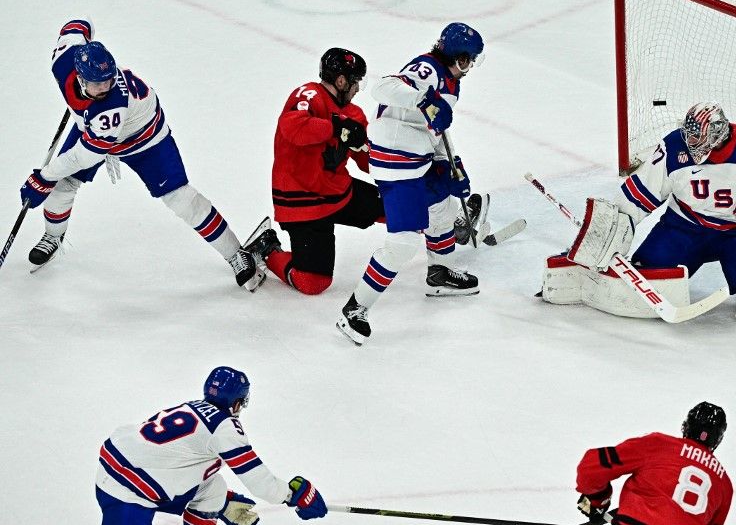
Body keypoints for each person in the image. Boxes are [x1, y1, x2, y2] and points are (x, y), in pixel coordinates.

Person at [19, 19, 263, 290]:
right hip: (93, 131)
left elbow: (84, 156)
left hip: (146, 139)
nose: (106, 87)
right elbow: (78, 26)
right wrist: (87, 41)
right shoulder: (64, 57)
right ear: (79, 77)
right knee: (62, 184)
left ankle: (235, 253)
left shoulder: (111, 105)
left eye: (109, 79)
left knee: (180, 198)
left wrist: (44, 177)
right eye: (98, 83)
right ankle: (53, 237)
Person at [67, 366, 328, 525]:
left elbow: (175, 461)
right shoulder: (225, 428)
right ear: (238, 402)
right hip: (130, 490)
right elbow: (261, 483)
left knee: (214, 490)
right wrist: (293, 495)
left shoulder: (192, 407)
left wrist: (222, 503)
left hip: (117, 464)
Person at [335, 22, 486, 344]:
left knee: (442, 205)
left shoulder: (449, 81)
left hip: (417, 157)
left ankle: (439, 273)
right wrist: (424, 101)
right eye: (468, 60)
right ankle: (355, 309)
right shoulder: (427, 69)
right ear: (457, 57)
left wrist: (451, 164)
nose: (470, 67)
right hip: (396, 162)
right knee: (403, 243)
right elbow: (383, 87)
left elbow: (435, 127)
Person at [568, 102, 736, 296]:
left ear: (717, 133)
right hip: (685, 226)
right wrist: (611, 231)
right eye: (688, 135)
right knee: (649, 274)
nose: (690, 142)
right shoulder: (672, 147)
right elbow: (642, 192)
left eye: (697, 136)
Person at [244, 48, 385, 295]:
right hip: (302, 203)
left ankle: (442, 233)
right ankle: (267, 248)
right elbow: (293, 128)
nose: (357, 89)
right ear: (341, 81)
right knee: (313, 283)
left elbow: (368, 161)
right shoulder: (309, 95)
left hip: (338, 192)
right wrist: (336, 127)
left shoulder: (354, 114)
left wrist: (406, 167)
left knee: (397, 208)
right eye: (355, 82)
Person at [576, 402, 732, 525]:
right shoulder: (724, 485)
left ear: (687, 425)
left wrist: (598, 498)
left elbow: (591, 467)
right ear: (718, 439)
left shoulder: (658, 445)